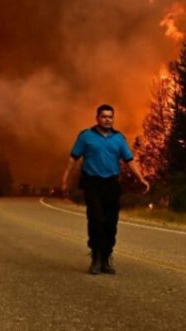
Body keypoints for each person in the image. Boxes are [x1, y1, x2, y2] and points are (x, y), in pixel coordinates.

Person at [61, 104, 149, 275]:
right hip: (92, 183)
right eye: (104, 117)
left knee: (111, 223)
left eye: (110, 117)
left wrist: (141, 178)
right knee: (96, 220)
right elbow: (73, 159)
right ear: (97, 118)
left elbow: (129, 160)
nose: (107, 120)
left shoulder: (118, 138)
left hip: (111, 184)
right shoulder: (86, 136)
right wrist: (64, 179)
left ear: (113, 119)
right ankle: (96, 258)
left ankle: (106, 258)